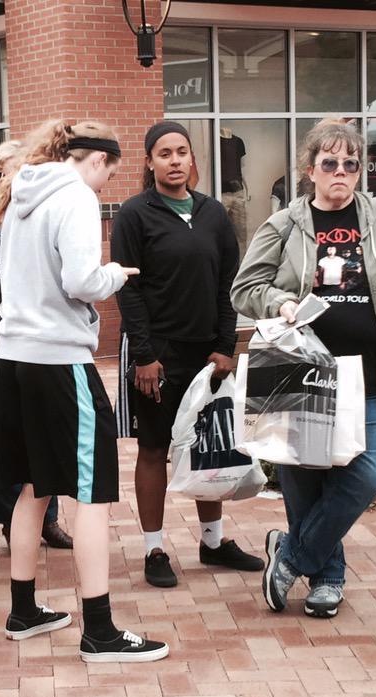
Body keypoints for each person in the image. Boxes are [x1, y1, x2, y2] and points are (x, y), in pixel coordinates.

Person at [231, 118, 376, 619]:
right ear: (310, 169)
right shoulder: (285, 224)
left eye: (350, 163)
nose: (341, 171)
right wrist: (280, 300)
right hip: (301, 372)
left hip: (366, 375)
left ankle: (292, 555)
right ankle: (328, 577)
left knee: (366, 475)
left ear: (360, 170)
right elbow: (244, 288)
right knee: (306, 481)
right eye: (330, 163)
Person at [0, 118, 168, 663]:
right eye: (107, 176)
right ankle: (100, 631)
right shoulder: (75, 196)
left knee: (31, 486)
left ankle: (24, 610)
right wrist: (116, 273)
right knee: (91, 494)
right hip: (58, 360)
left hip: (13, 357)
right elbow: (79, 281)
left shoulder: (22, 192)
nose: (104, 187)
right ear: (97, 160)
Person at [112, 120, 263, 589]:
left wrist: (224, 347)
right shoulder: (135, 214)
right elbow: (129, 292)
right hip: (156, 353)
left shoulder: (214, 213)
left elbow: (226, 286)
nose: (175, 161)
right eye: (164, 153)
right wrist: (143, 354)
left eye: (182, 152)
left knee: (211, 445)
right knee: (154, 448)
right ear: (149, 162)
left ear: (191, 159)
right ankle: (154, 549)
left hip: (205, 353)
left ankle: (213, 542)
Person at [0, 140, 73, 550]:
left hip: (43, 332)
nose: (16, 178)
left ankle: (48, 519)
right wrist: (37, 279)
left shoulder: (41, 214)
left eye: (24, 169)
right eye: (6, 171)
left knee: (47, 426)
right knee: (9, 429)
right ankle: (12, 517)